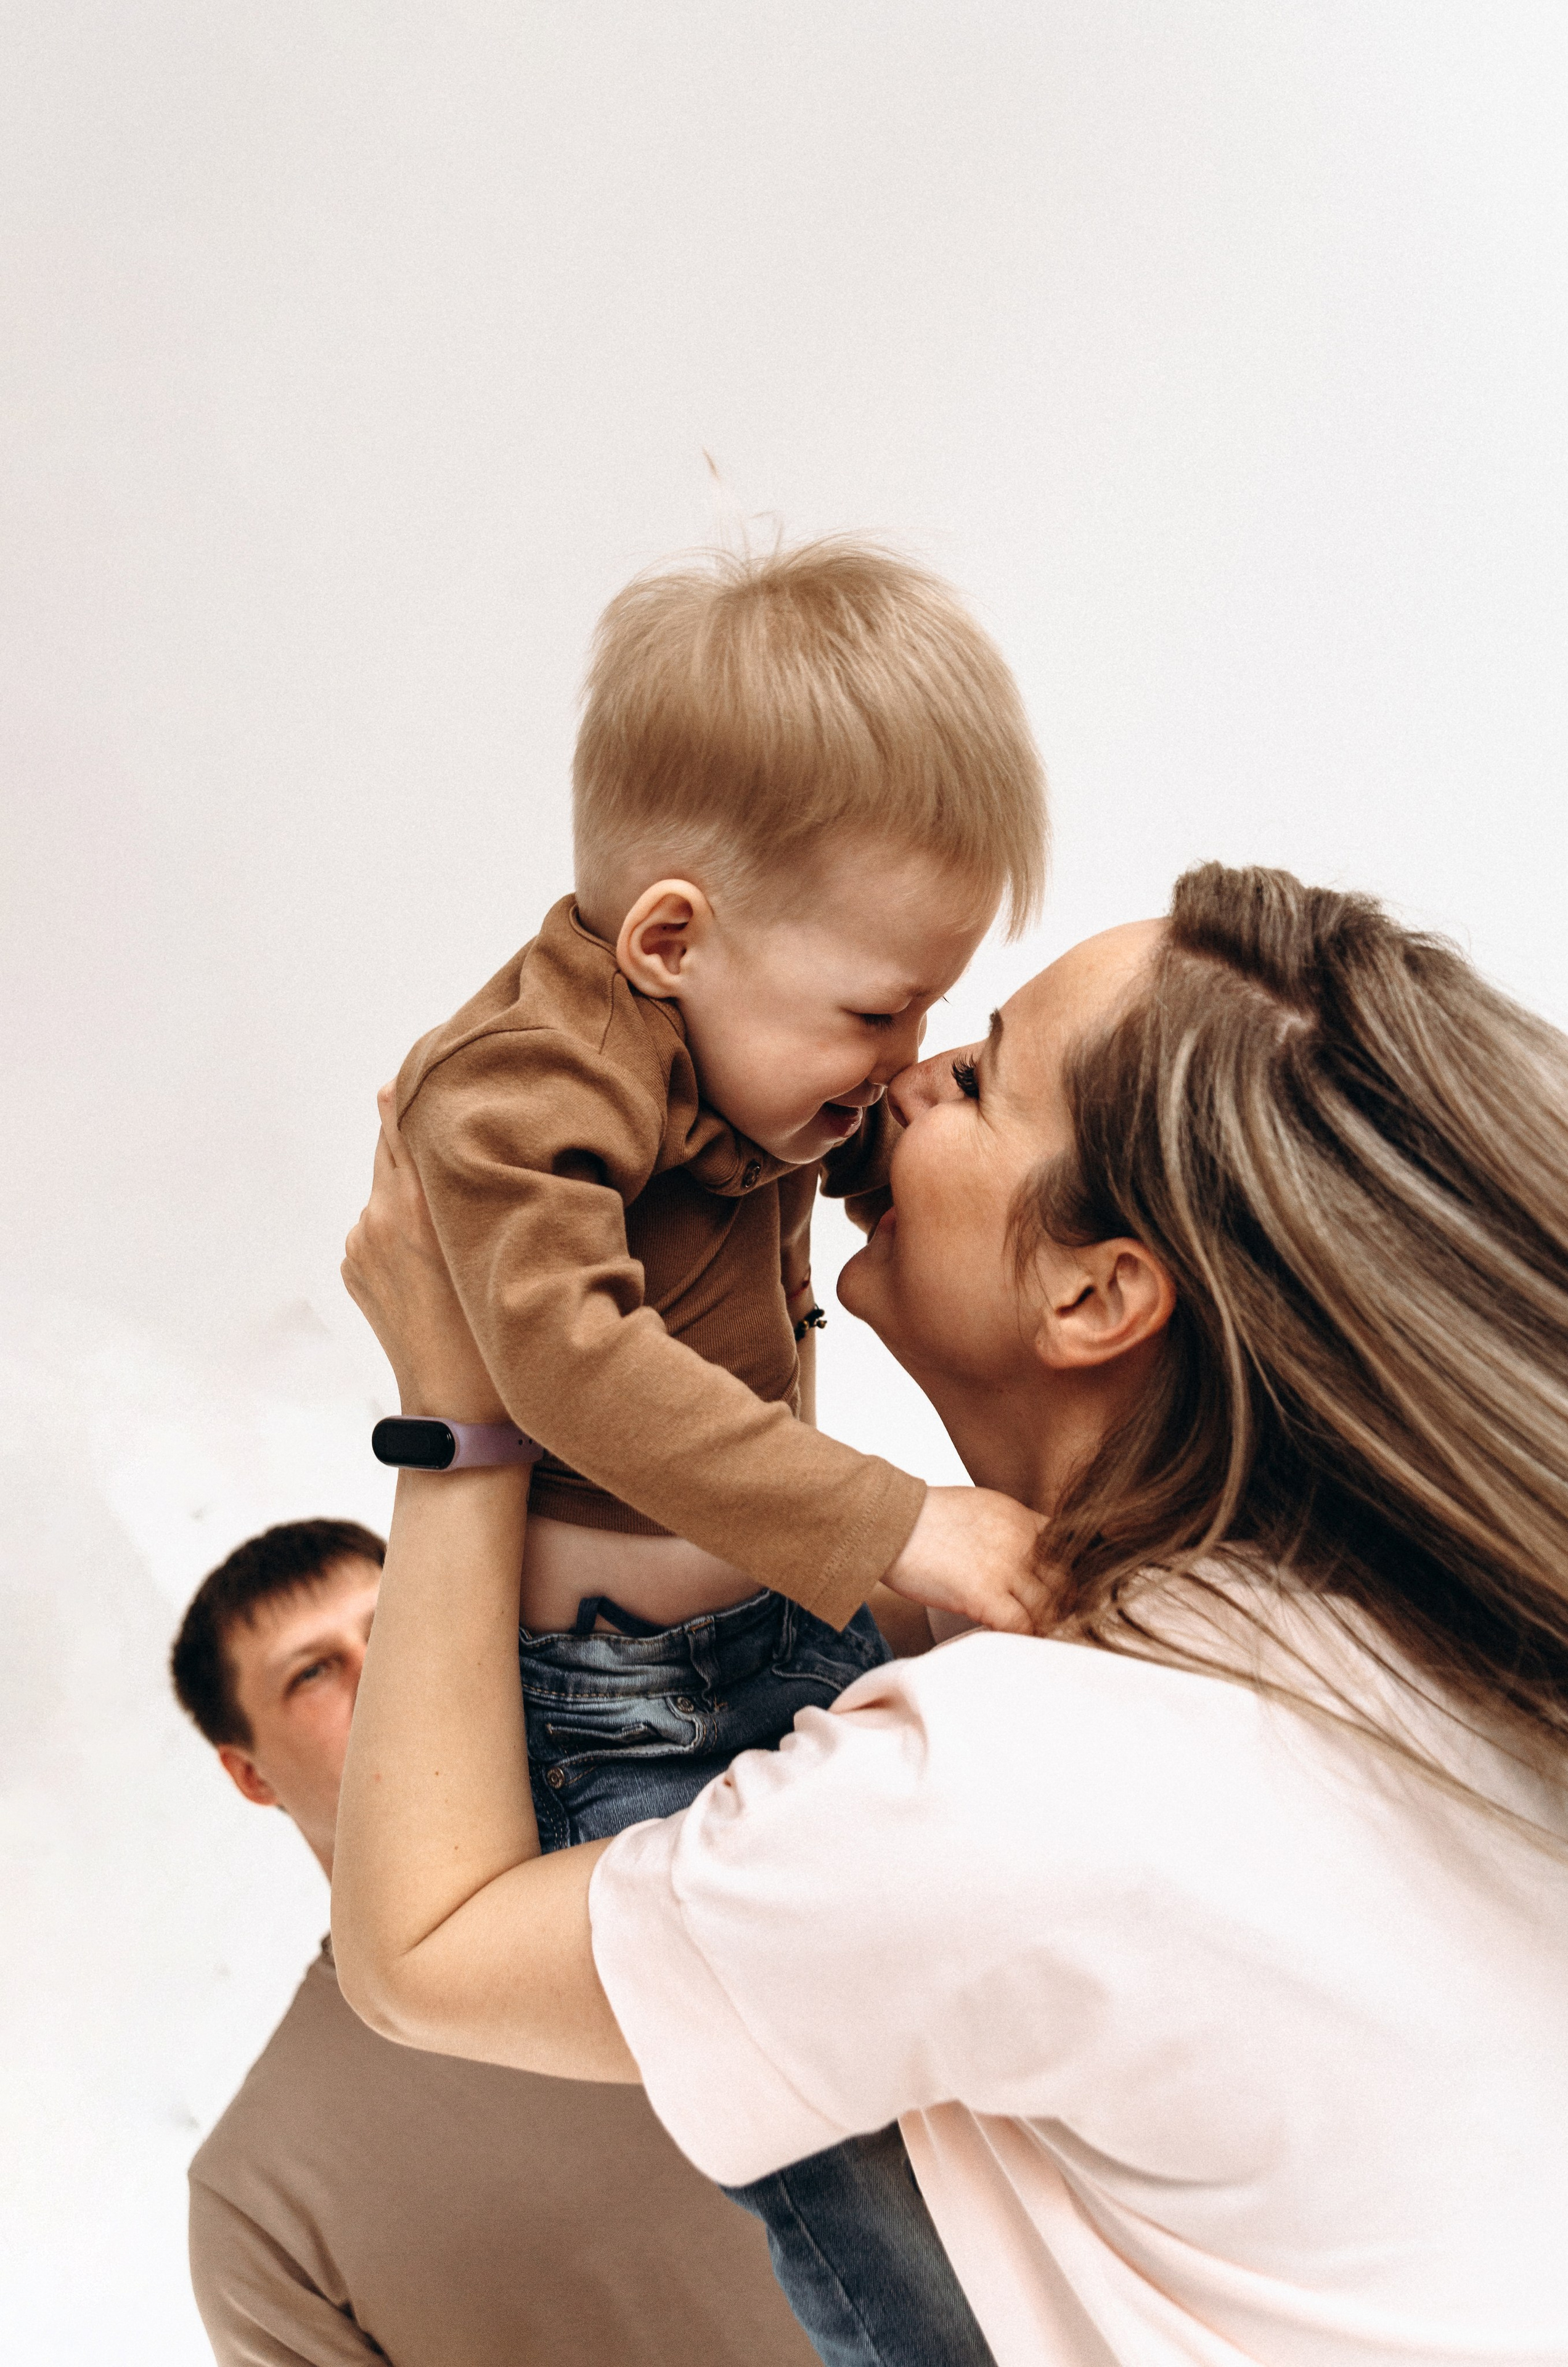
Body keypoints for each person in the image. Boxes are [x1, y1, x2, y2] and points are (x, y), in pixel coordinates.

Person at [334, 862, 1568, 2367]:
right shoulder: (1385, 1627)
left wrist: (461, 1413)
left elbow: (423, 1950)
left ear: (1096, 1295)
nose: (906, 1081)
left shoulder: (1017, 1783)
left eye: (980, 1078)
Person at [388, 538, 1047, 2354]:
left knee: (976, 2071)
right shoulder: (511, 1090)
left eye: (934, 1013)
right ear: (671, 937)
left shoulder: (737, 1031)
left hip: (794, 1635)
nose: (901, 1056)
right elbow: (573, 1370)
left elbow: (796, 1149)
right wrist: (906, 1525)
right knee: (837, 2162)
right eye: (878, 1013)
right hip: (634, 1709)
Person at [169, 1518, 817, 2367]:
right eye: (315, 1672)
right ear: (250, 1775)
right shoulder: (264, 2198)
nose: (383, 1678)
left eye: (390, 1627)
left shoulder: (738, 1866)